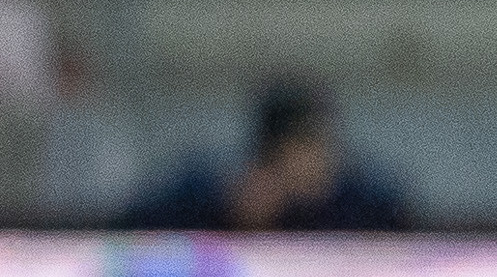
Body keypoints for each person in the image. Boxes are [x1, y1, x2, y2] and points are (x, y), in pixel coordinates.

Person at [118, 76, 412, 233]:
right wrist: (232, 216)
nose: (315, 160)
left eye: (320, 145)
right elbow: (131, 227)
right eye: (300, 145)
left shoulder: (360, 200)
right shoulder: (217, 194)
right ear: (272, 154)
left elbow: (408, 235)